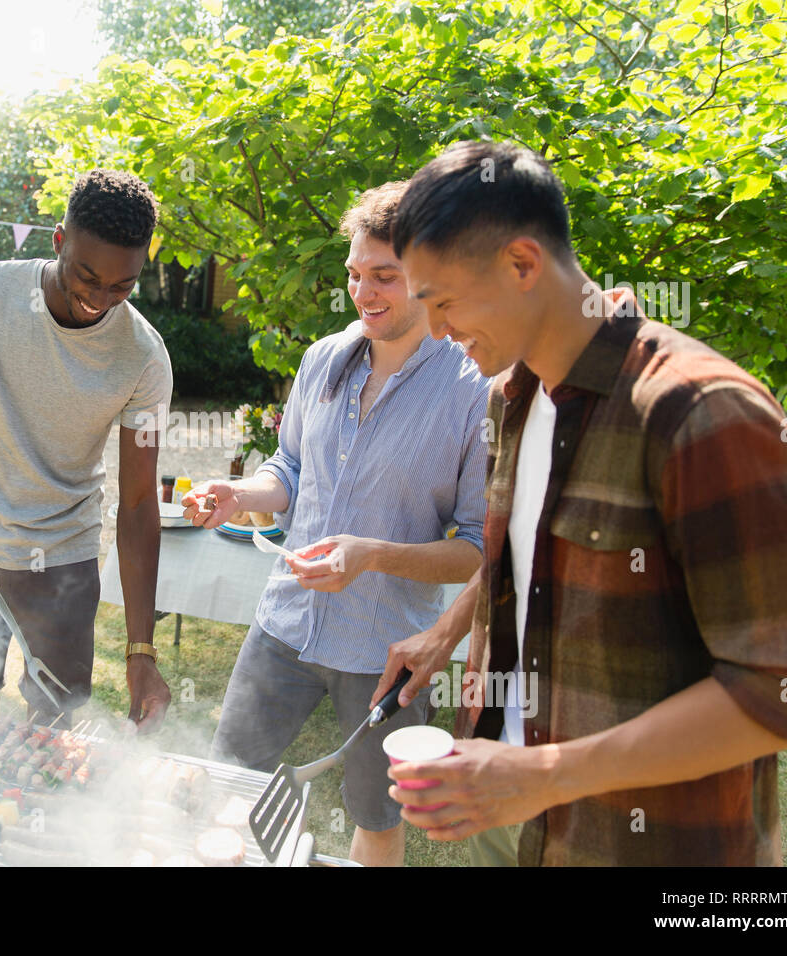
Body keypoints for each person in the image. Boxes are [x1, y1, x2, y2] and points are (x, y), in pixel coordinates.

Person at [375, 140, 787, 865]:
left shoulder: (699, 412)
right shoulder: (511, 398)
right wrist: (448, 635)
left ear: (523, 264)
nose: (434, 329)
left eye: (442, 301)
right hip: (515, 826)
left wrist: (545, 775)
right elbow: (527, 556)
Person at [181, 182, 490, 867]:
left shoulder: (474, 389)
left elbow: (477, 550)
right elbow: (289, 473)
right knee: (225, 776)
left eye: (385, 276)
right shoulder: (323, 358)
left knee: (377, 815)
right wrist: (239, 492)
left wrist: (370, 555)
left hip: (386, 648)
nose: (364, 293)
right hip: (284, 625)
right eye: (355, 275)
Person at [0, 170, 173, 726]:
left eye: (122, 286)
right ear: (58, 240)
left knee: (51, 738)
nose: (99, 299)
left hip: (63, 566)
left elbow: (139, 503)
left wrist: (141, 650)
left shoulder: (143, 356)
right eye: (87, 276)